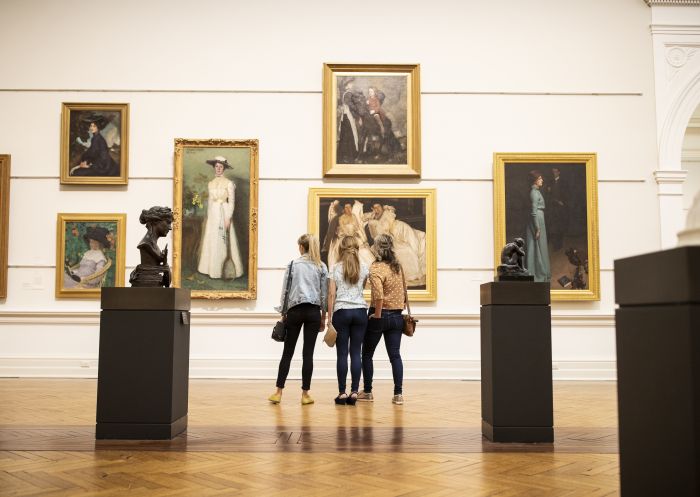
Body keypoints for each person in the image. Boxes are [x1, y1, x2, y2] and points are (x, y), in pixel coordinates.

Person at [269, 234, 328, 405]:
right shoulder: (321, 266)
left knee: (287, 353)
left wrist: (283, 312)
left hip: (294, 311)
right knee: (307, 354)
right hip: (313, 312)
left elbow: (285, 291)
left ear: (302, 247)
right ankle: (305, 395)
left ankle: (278, 392)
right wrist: (323, 317)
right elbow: (324, 294)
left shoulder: (293, 264)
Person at [359, 234, 406, 405]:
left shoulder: (376, 267)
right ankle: (398, 394)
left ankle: (368, 391)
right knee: (395, 356)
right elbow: (404, 290)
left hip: (379, 315)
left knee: (367, 354)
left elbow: (378, 295)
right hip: (397, 316)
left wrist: (377, 315)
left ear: (377, 248)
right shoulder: (397, 266)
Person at [327, 236, 370, 405]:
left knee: (342, 354)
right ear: (357, 249)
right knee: (356, 353)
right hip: (360, 311)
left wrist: (329, 319)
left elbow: (331, 295)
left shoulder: (335, 268)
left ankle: (342, 392)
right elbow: (362, 288)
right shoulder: (364, 268)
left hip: (341, 312)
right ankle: (354, 392)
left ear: (340, 250)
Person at [197, 156, 244, 280]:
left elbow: (232, 202)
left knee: (223, 239)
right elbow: (210, 202)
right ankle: (211, 269)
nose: (218, 169)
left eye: (221, 167)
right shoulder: (211, 183)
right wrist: (209, 216)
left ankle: (225, 269)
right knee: (212, 238)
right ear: (214, 167)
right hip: (213, 214)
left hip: (224, 211)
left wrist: (228, 217)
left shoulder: (229, 183)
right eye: (216, 166)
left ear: (224, 169)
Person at [362, 202, 426, 286]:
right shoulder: (373, 220)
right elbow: (378, 234)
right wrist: (374, 219)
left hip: (395, 233)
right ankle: (402, 274)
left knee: (411, 243)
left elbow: (387, 228)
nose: (376, 209)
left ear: (382, 207)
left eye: (378, 207)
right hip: (385, 239)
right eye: (374, 208)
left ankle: (412, 267)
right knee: (403, 249)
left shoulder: (387, 214)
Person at [323, 200, 375, 269]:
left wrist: (363, 239)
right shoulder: (341, 218)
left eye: (350, 207)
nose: (348, 209)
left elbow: (357, 228)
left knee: (364, 251)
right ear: (344, 209)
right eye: (346, 208)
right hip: (345, 238)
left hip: (354, 237)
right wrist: (350, 236)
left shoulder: (353, 216)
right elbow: (344, 231)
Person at [129, 206, 173, 288]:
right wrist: (165, 266)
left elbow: (167, 282)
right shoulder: (146, 244)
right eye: (168, 222)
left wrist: (165, 266)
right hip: (147, 287)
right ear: (155, 221)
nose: (170, 228)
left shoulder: (152, 244)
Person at [526, 171, 551, 283]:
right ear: (535, 180)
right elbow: (534, 212)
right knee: (536, 245)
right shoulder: (534, 193)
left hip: (540, 219)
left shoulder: (536, 191)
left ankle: (543, 271)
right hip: (537, 221)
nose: (542, 180)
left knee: (540, 246)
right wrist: (537, 228)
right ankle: (538, 272)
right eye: (540, 178)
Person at [545, 167, 567, 252]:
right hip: (552, 207)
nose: (554, 173)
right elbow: (548, 195)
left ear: (559, 172)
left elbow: (566, 194)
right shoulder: (550, 182)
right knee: (552, 226)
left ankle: (559, 244)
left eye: (555, 171)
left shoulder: (563, 183)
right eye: (553, 172)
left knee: (560, 225)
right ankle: (555, 244)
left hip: (560, 208)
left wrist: (562, 202)